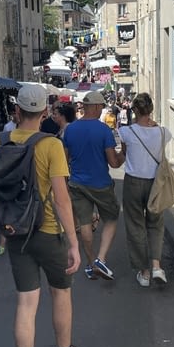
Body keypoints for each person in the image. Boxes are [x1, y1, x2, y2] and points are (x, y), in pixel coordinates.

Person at [0, 83, 84, 347]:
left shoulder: (0, 141)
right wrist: (73, 242)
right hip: (47, 232)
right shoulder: (51, 146)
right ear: (45, 112)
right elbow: (62, 199)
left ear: (16, 111)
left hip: (16, 232)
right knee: (61, 293)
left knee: (26, 304)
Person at [62, 90, 124, 281]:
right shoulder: (104, 130)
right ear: (96, 107)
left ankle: (90, 263)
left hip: (77, 183)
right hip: (100, 184)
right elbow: (114, 163)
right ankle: (101, 258)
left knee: (85, 223)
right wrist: (125, 153)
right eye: (101, 107)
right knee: (112, 218)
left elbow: (65, 160)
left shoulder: (70, 130)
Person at [118, 93, 172, 287]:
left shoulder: (126, 132)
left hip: (133, 182)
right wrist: (154, 125)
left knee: (135, 226)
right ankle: (157, 266)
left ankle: (144, 272)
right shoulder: (164, 133)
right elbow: (159, 135)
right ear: (151, 110)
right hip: (155, 183)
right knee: (156, 224)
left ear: (134, 111)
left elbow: (124, 153)